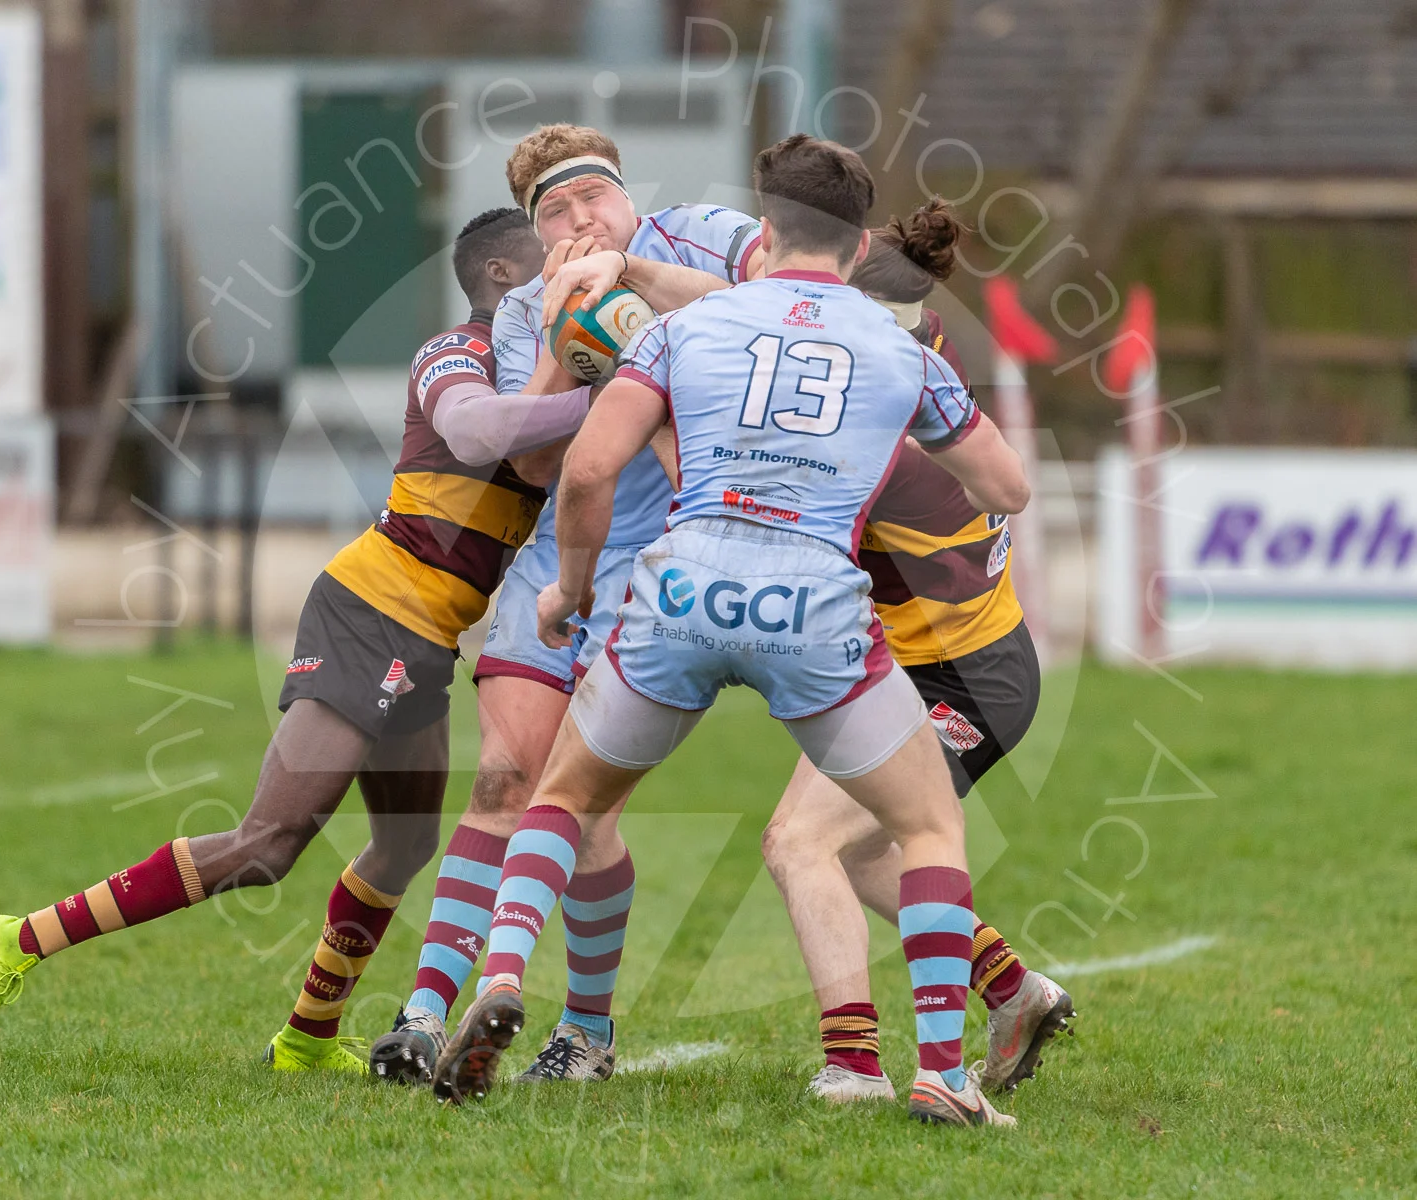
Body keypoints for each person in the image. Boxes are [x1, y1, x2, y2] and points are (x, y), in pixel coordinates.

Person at [431, 134, 1031, 1129]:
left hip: (682, 590)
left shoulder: (679, 331)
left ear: (762, 234)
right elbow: (1006, 486)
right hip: (814, 608)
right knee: (925, 825)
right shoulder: (899, 349)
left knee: (567, 794)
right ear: (854, 245)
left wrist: (568, 593)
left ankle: (500, 978)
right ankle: (940, 1070)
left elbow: (583, 472)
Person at [0, 208, 579, 1073]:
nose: (574, 267)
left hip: (424, 634)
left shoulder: (533, 371)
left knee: (405, 843)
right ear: (503, 278)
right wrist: (601, 395)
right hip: (373, 611)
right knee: (266, 845)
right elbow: (479, 432)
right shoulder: (456, 354)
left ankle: (308, 1037)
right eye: (553, 258)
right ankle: (10, 941)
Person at [374, 123, 765, 1087]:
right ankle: (427, 1014)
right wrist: (562, 326)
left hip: (676, 561)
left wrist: (633, 282)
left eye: (594, 198)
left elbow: (790, 302)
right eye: (556, 211)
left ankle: (581, 1027)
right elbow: (537, 462)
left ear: (627, 196)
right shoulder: (519, 313)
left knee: (583, 805)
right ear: (537, 232)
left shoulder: (702, 235)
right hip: (559, 551)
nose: (581, 219)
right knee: (505, 778)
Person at [760, 200, 1073, 1104]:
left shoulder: (880, 443)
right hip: (919, 667)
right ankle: (1012, 989)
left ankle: (855, 1064)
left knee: (800, 843)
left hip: (969, 680)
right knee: (854, 853)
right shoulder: (921, 357)